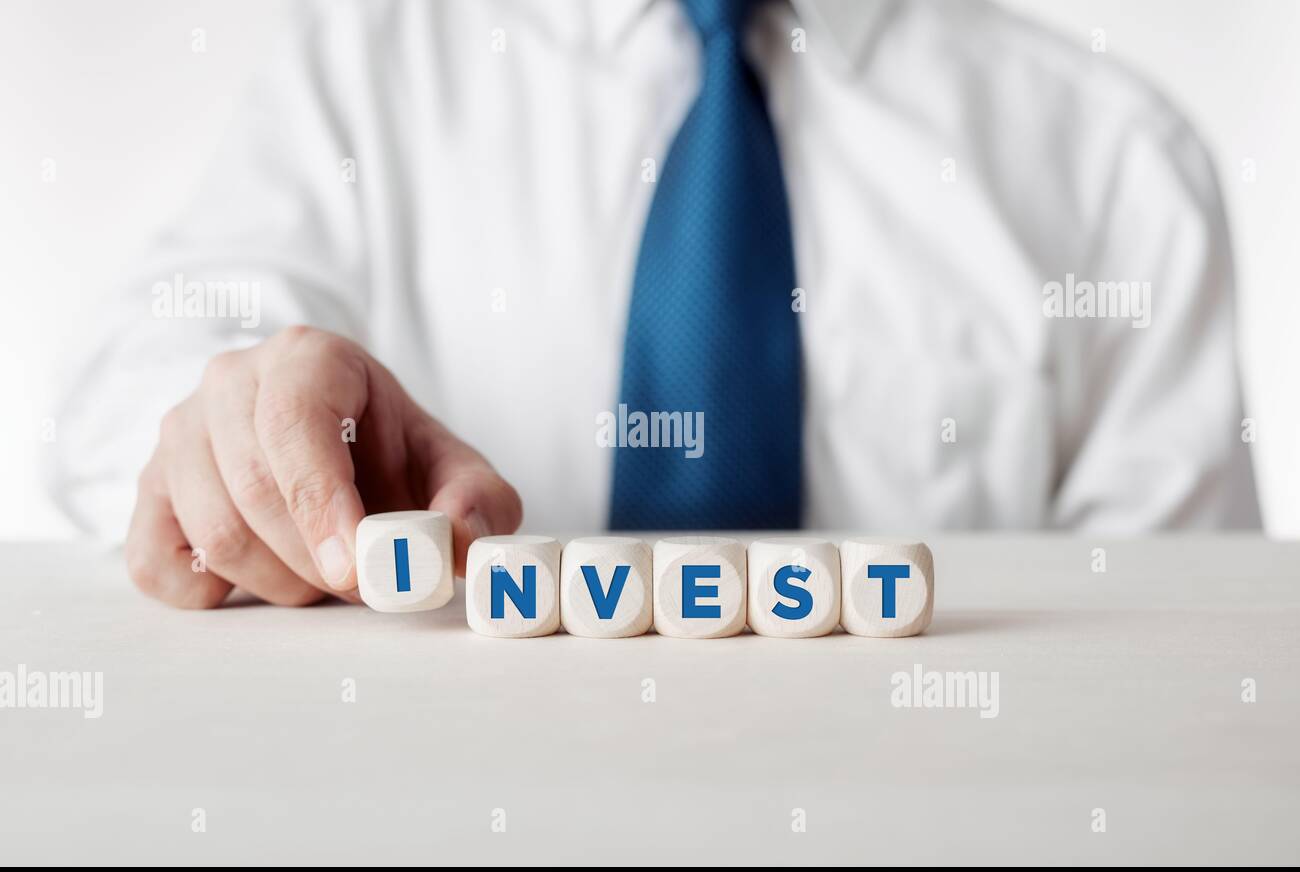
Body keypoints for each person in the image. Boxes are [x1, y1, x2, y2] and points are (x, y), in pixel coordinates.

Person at [50, 0, 1260, 609]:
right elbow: (135, 388)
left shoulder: (1113, 161)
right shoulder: (369, 66)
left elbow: (1163, 644)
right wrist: (248, 433)